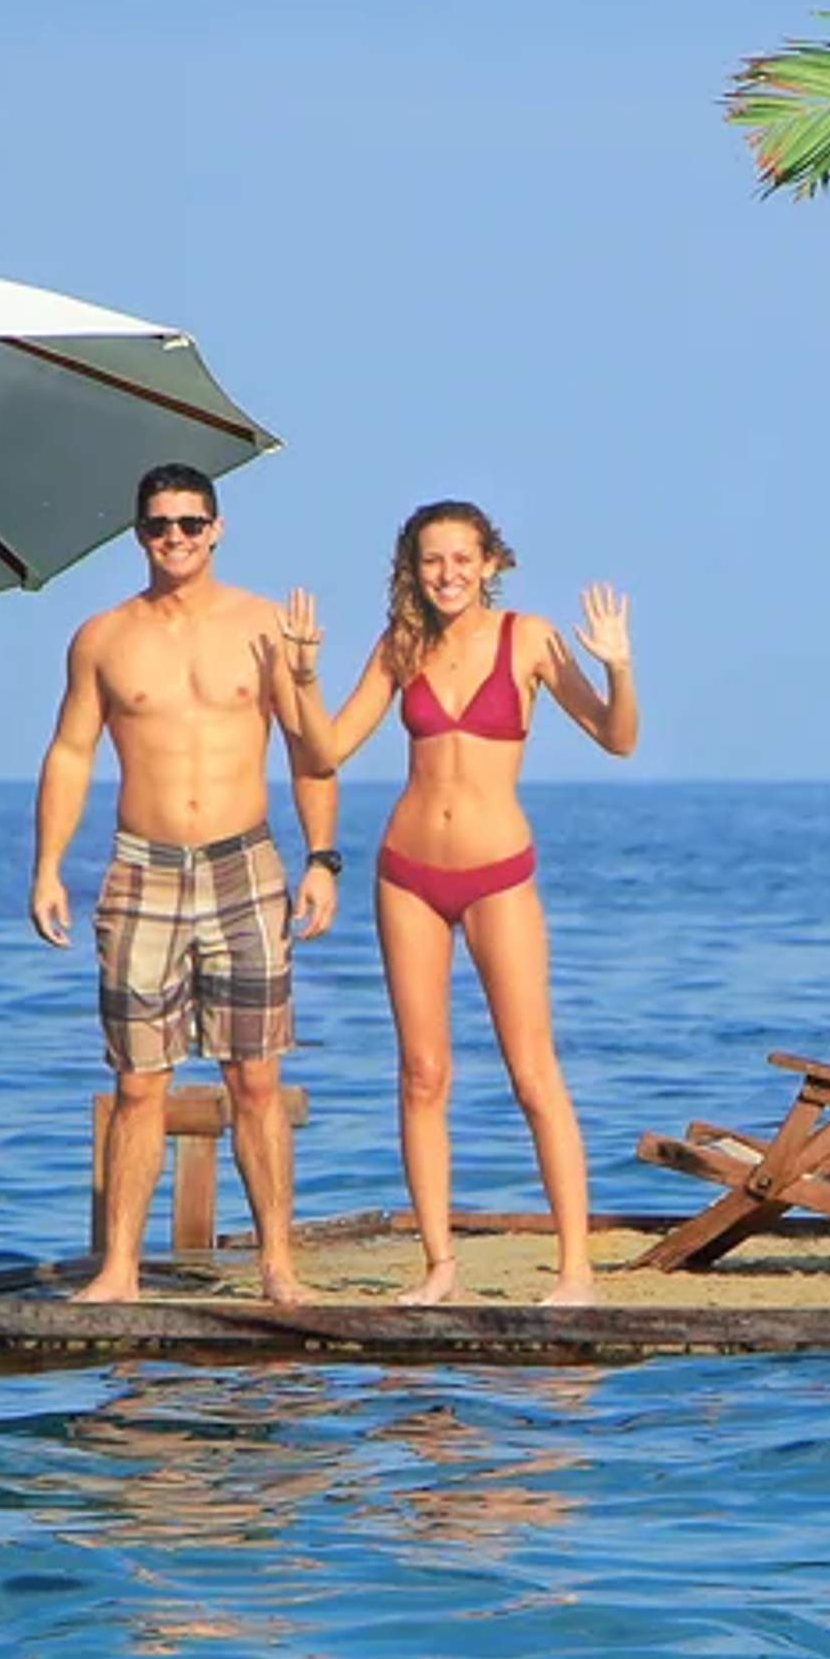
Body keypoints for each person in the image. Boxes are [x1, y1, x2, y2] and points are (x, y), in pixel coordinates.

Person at [294, 500, 637, 1304]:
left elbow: (617, 739)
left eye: (461, 559)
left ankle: (576, 1270)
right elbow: (328, 746)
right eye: (430, 561)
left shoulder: (531, 640)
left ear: (490, 563)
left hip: (499, 875)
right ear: (411, 570)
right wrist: (303, 677)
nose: (446, 574)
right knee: (421, 1073)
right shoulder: (400, 646)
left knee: (531, 1074)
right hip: (405, 872)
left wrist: (620, 668)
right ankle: (439, 1266)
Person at [30, 464, 342, 1304]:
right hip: (142, 866)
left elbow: (311, 752)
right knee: (138, 1084)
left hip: (246, 862)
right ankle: (121, 1271)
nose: (176, 539)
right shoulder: (103, 636)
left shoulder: (267, 627)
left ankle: (278, 1264)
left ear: (218, 528)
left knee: (256, 1077)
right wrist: (49, 867)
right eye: (161, 525)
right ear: (139, 534)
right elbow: (70, 753)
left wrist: (323, 858)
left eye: (192, 523)